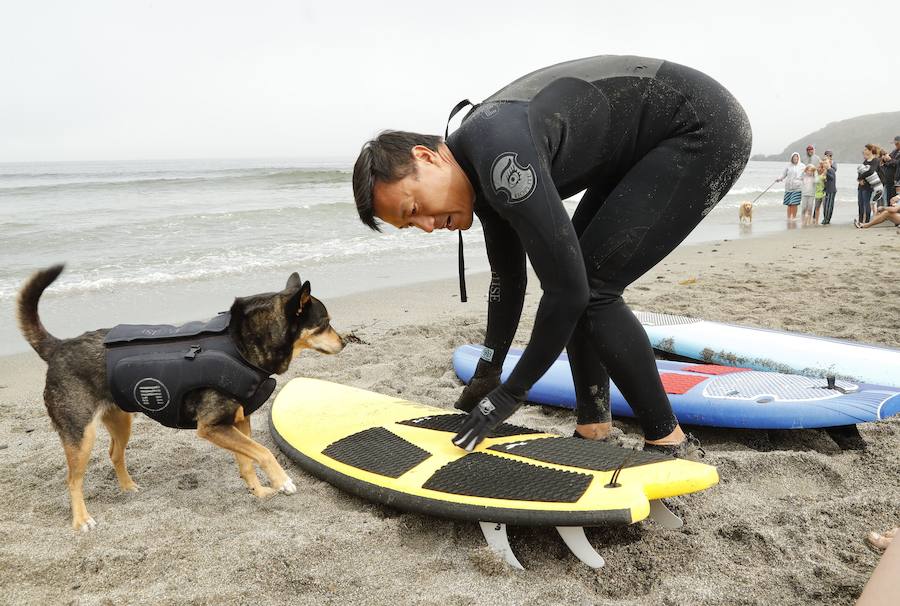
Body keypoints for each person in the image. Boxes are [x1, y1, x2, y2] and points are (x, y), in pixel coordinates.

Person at [352, 56, 752, 456]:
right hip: (643, 145)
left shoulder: (500, 159)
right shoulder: (479, 172)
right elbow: (507, 280)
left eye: (413, 209)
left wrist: (512, 393)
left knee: (592, 288)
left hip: (700, 126)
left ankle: (668, 440)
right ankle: (593, 425)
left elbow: (569, 292)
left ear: (426, 157)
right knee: (578, 272)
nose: (425, 226)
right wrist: (489, 369)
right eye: (410, 225)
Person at [856, 144, 881, 224]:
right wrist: (859, 179)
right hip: (861, 185)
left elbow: (871, 171)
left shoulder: (876, 160)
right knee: (860, 204)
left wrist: (860, 178)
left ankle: (866, 222)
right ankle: (860, 221)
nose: (864, 151)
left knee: (867, 203)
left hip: (869, 186)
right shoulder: (865, 161)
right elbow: (860, 171)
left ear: (870, 151)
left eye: (866, 149)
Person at [776, 152, 804, 220]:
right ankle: (789, 218)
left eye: (796, 157)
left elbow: (806, 174)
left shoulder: (802, 166)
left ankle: (793, 218)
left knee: (794, 203)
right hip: (788, 187)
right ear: (791, 158)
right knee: (789, 204)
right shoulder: (788, 166)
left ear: (798, 158)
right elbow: (783, 175)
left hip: (797, 187)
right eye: (794, 157)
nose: (795, 158)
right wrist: (779, 179)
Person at [821, 156, 837, 224]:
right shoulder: (826, 171)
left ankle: (827, 219)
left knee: (829, 206)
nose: (825, 164)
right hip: (827, 190)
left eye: (826, 163)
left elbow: (832, 178)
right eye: (824, 163)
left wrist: (826, 172)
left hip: (832, 191)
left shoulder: (831, 170)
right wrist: (824, 189)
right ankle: (825, 218)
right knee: (826, 206)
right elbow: (826, 182)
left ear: (830, 163)